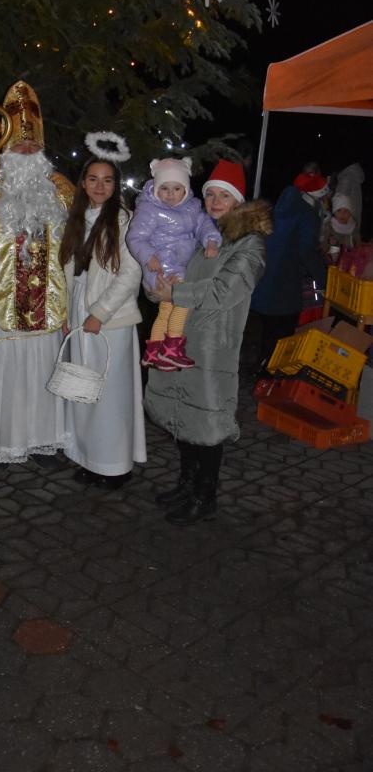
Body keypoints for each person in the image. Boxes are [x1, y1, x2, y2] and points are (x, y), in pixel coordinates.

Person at [145, 160, 272, 525]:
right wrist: (158, 288)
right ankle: (187, 483)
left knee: (208, 421)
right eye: (211, 194)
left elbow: (224, 291)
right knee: (184, 414)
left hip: (213, 346)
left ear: (238, 200)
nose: (215, 201)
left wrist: (176, 293)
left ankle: (205, 495)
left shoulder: (249, 244)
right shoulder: (202, 235)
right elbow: (174, 273)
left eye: (224, 195)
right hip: (180, 339)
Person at [0, 80, 75, 465]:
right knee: (2, 371)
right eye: (19, 145)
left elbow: (77, 244)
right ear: (5, 147)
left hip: (48, 302)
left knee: (42, 369)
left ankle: (44, 439)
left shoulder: (61, 191)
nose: (26, 151)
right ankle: (1, 441)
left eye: (33, 146)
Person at [59, 150, 146, 488]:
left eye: (107, 180)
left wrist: (100, 313)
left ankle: (114, 465)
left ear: (115, 185)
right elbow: (70, 270)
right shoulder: (76, 218)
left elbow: (131, 274)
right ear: (83, 183)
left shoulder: (125, 221)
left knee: (110, 394)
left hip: (111, 318)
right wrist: (67, 312)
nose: (100, 186)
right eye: (93, 179)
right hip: (79, 308)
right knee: (83, 388)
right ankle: (89, 456)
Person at [125, 157, 222, 371]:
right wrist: (148, 256)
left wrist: (211, 240)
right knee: (183, 302)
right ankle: (172, 347)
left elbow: (204, 225)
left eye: (177, 189)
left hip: (181, 267)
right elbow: (135, 237)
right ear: (156, 189)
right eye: (165, 188)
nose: (170, 194)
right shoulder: (149, 209)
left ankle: (153, 352)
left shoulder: (192, 208)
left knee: (166, 311)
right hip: (160, 269)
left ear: (185, 190)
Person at [251, 170, 328, 365]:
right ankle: (268, 372)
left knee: (265, 335)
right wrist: (326, 279)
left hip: (262, 283)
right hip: (285, 288)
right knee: (280, 338)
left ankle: (260, 366)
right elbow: (307, 253)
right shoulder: (307, 215)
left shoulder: (276, 209)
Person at [321, 192, 361, 259]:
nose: (342, 214)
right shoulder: (330, 225)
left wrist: (357, 247)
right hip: (333, 256)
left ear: (350, 213)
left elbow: (357, 241)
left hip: (349, 256)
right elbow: (324, 241)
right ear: (334, 212)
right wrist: (326, 247)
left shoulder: (353, 226)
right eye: (339, 211)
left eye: (346, 211)